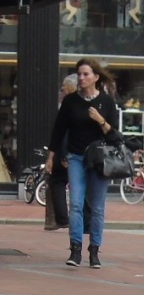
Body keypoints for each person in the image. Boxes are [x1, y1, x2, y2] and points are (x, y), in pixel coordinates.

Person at [46, 58, 121, 268]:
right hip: (76, 157)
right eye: (79, 74)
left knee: (97, 208)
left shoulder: (106, 102)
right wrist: (51, 157)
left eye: (86, 74)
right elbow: (58, 131)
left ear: (96, 77)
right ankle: (75, 249)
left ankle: (94, 251)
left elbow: (115, 135)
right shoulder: (70, 102)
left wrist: (100, 120)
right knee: (76, 204)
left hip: (98, 160)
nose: (81, 78)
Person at [44, 73, 78, 231]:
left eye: (65, 85)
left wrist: (63, 155)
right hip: (69, 152)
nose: (62, 88)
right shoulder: (73, 104)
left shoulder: (69, 105)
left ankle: (62, 218)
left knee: (57, 182)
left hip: (66, 152)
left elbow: (65, 132)